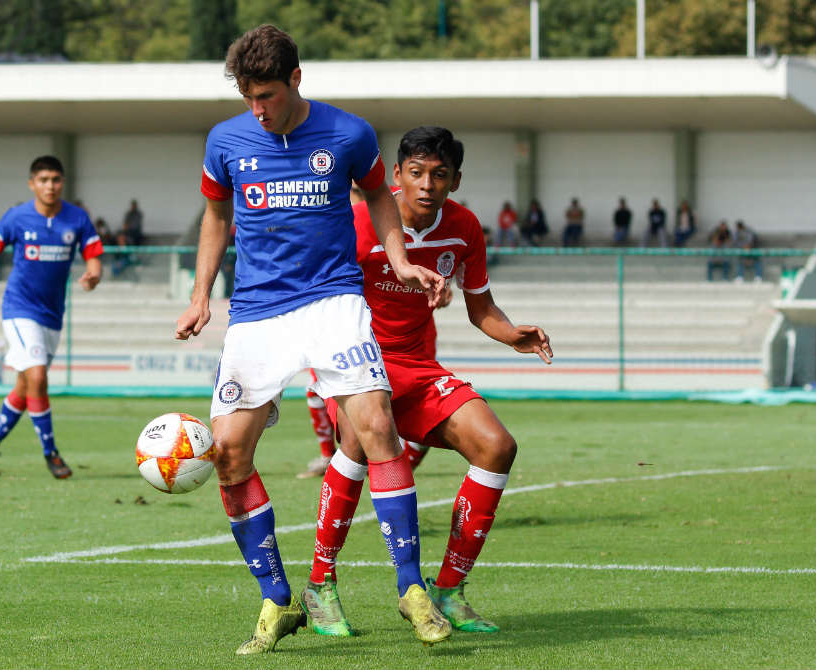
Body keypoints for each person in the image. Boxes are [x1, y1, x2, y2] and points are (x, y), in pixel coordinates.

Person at [175, 25, 447, 655]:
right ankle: (278, 598)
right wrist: (200, 295)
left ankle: (410, 588)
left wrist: (401, 262)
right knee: (230, 453)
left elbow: (380, 194)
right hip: (257, 312)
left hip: (333, 301)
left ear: (296, 80)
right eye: (249, 98)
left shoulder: (348, 133)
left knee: (377, 428)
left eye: (267, 95)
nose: (258, 110)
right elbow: (217, 217)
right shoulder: (225, 141)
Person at [299, 126, 551, 639]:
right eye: (416, 173)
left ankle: (449, 590)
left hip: (416, 363)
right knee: (359, 438)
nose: (427, 184)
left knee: (496, 446)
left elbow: (482, 308)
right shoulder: (356, 220)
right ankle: (321, 583)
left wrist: (511, 335)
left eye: (439, 174)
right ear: (396, 175)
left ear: (455, 179)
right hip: (355, 357)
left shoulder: (464, 228)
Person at [0, 155, 103, 479]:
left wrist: (93, 276)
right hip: (19, 308)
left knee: (27, 388)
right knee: (38, 377)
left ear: (62, 183)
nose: (50, 186)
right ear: (32, 184)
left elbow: (94, 257)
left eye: (55, 179)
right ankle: (51, 454)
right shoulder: (16, 218)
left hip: (52, 315)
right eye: (43, 180)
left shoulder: (77, 218)